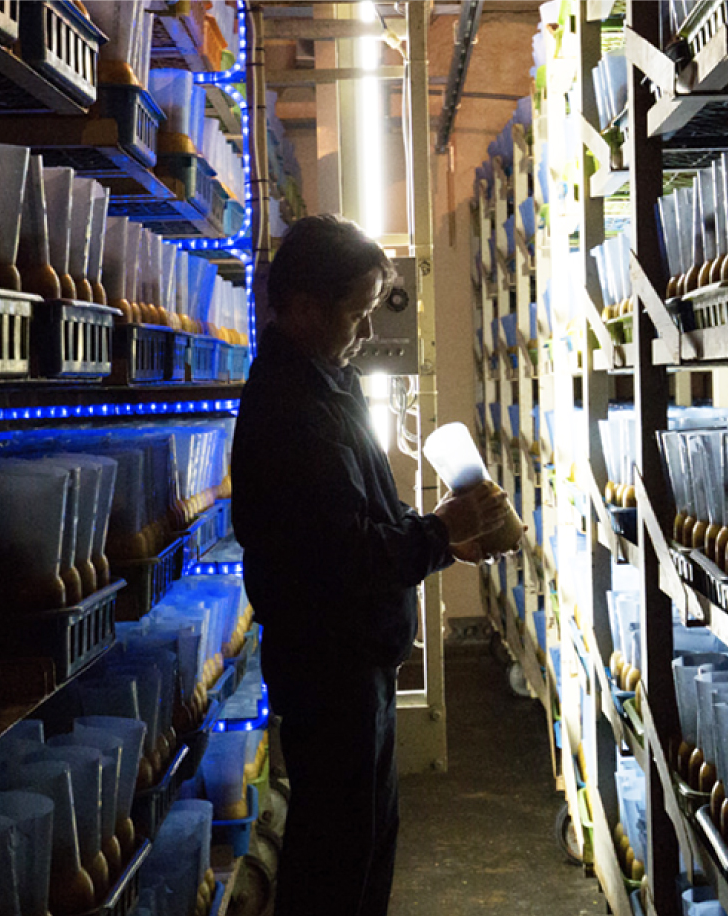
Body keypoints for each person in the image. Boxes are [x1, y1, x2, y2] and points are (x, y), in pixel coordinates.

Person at [231, 214, 513, 916]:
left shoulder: (329, 385)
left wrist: (442, 540)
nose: (364, 333)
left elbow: (366, 517)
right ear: (304, 308)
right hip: (329, 671)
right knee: (335, 861)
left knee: (365, 843)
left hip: (359, 663)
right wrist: (437, 531)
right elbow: (341, 556)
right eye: (356, 314)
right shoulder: (291, 412)